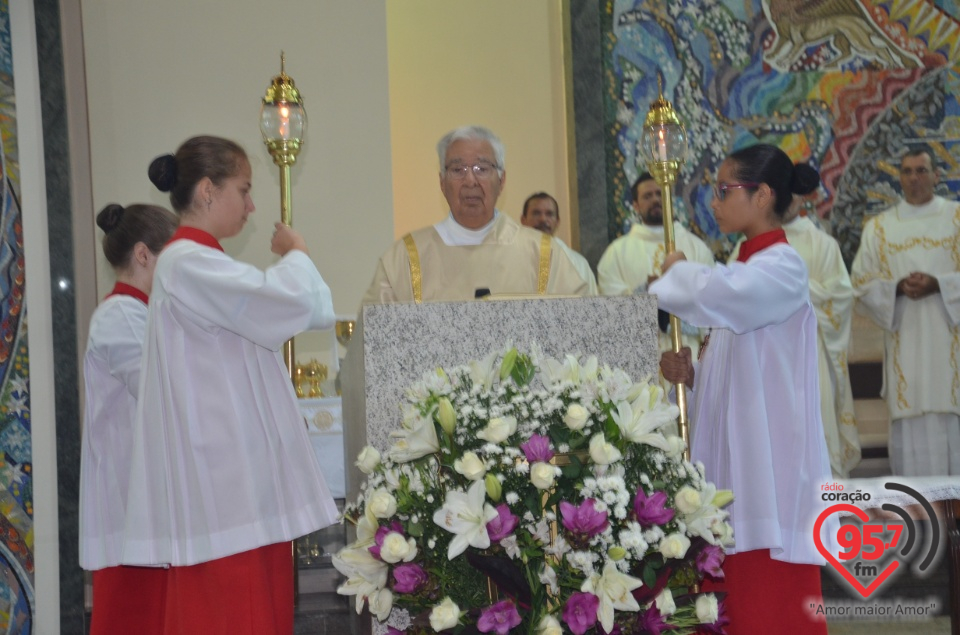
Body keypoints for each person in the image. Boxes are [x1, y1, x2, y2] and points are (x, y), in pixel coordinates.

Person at [121, 135, 339, 633]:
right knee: (233, 613)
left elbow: (268, 313)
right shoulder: (188, 262)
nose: (252, 205)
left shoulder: (196, 261)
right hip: (223, 479)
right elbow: (280, 303)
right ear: (207, 191)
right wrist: (298, 254)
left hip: (231, 475)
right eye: (243, 189)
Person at [653, 144, 835, 634]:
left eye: (725, 190)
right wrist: (694, 377)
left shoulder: (782, 268)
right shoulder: (746, 268)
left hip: (768, 476)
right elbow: (740, 370)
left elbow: (727, 293)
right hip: (733, 471)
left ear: (763, 196)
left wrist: (676, 274)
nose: (714, 202)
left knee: (768, 613)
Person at [79, 203, 177, 635]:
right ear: (143, 255)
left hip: (149, 509)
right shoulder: (120, 316)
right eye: (173, 259)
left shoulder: (142, 314)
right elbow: (163, 394)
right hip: (129, 514)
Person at [361, 126, 593, 304]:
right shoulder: (404, 259)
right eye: (458, 170)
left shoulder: (544, 256)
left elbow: (582, 327)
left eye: (482, 169)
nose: (470, 180)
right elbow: (371, 339)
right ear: (442, 182)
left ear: (501, 181)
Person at [730, 198, 861, 478]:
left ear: (801, 197)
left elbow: (840, 296)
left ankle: (826, 515)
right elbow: (732, 296)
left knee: (815, 432)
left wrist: (790, 290)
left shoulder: (823, 244)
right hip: (761, 360)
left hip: (809, 355)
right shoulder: (745, 246)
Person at [851, 145, 960, 476]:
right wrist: (896, 287)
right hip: (905, 352)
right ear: (899, 176)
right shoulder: (880, 227)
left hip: (949, 353)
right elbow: (860, 282)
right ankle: (918, 518)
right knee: (911, 438)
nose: (914, 178)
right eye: (907, 171)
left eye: (922, 170)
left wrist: (940, 285)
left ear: (937, 176)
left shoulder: (955, 218)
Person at [597, 172, 715, 378]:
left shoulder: (695, 247)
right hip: (638, 356)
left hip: (688, 356)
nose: (655, 200)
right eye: (647, 196)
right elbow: (609, 307)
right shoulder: (617, 252)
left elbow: (711, 300)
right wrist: (646, 293)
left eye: (660, 194)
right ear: (635, 205)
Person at [520, 191, 598, 294]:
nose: (543, 219)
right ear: (523, 220)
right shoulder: (511, 258)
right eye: (536, 213)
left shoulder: (578, 263)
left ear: (557, 222)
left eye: (549, 214)